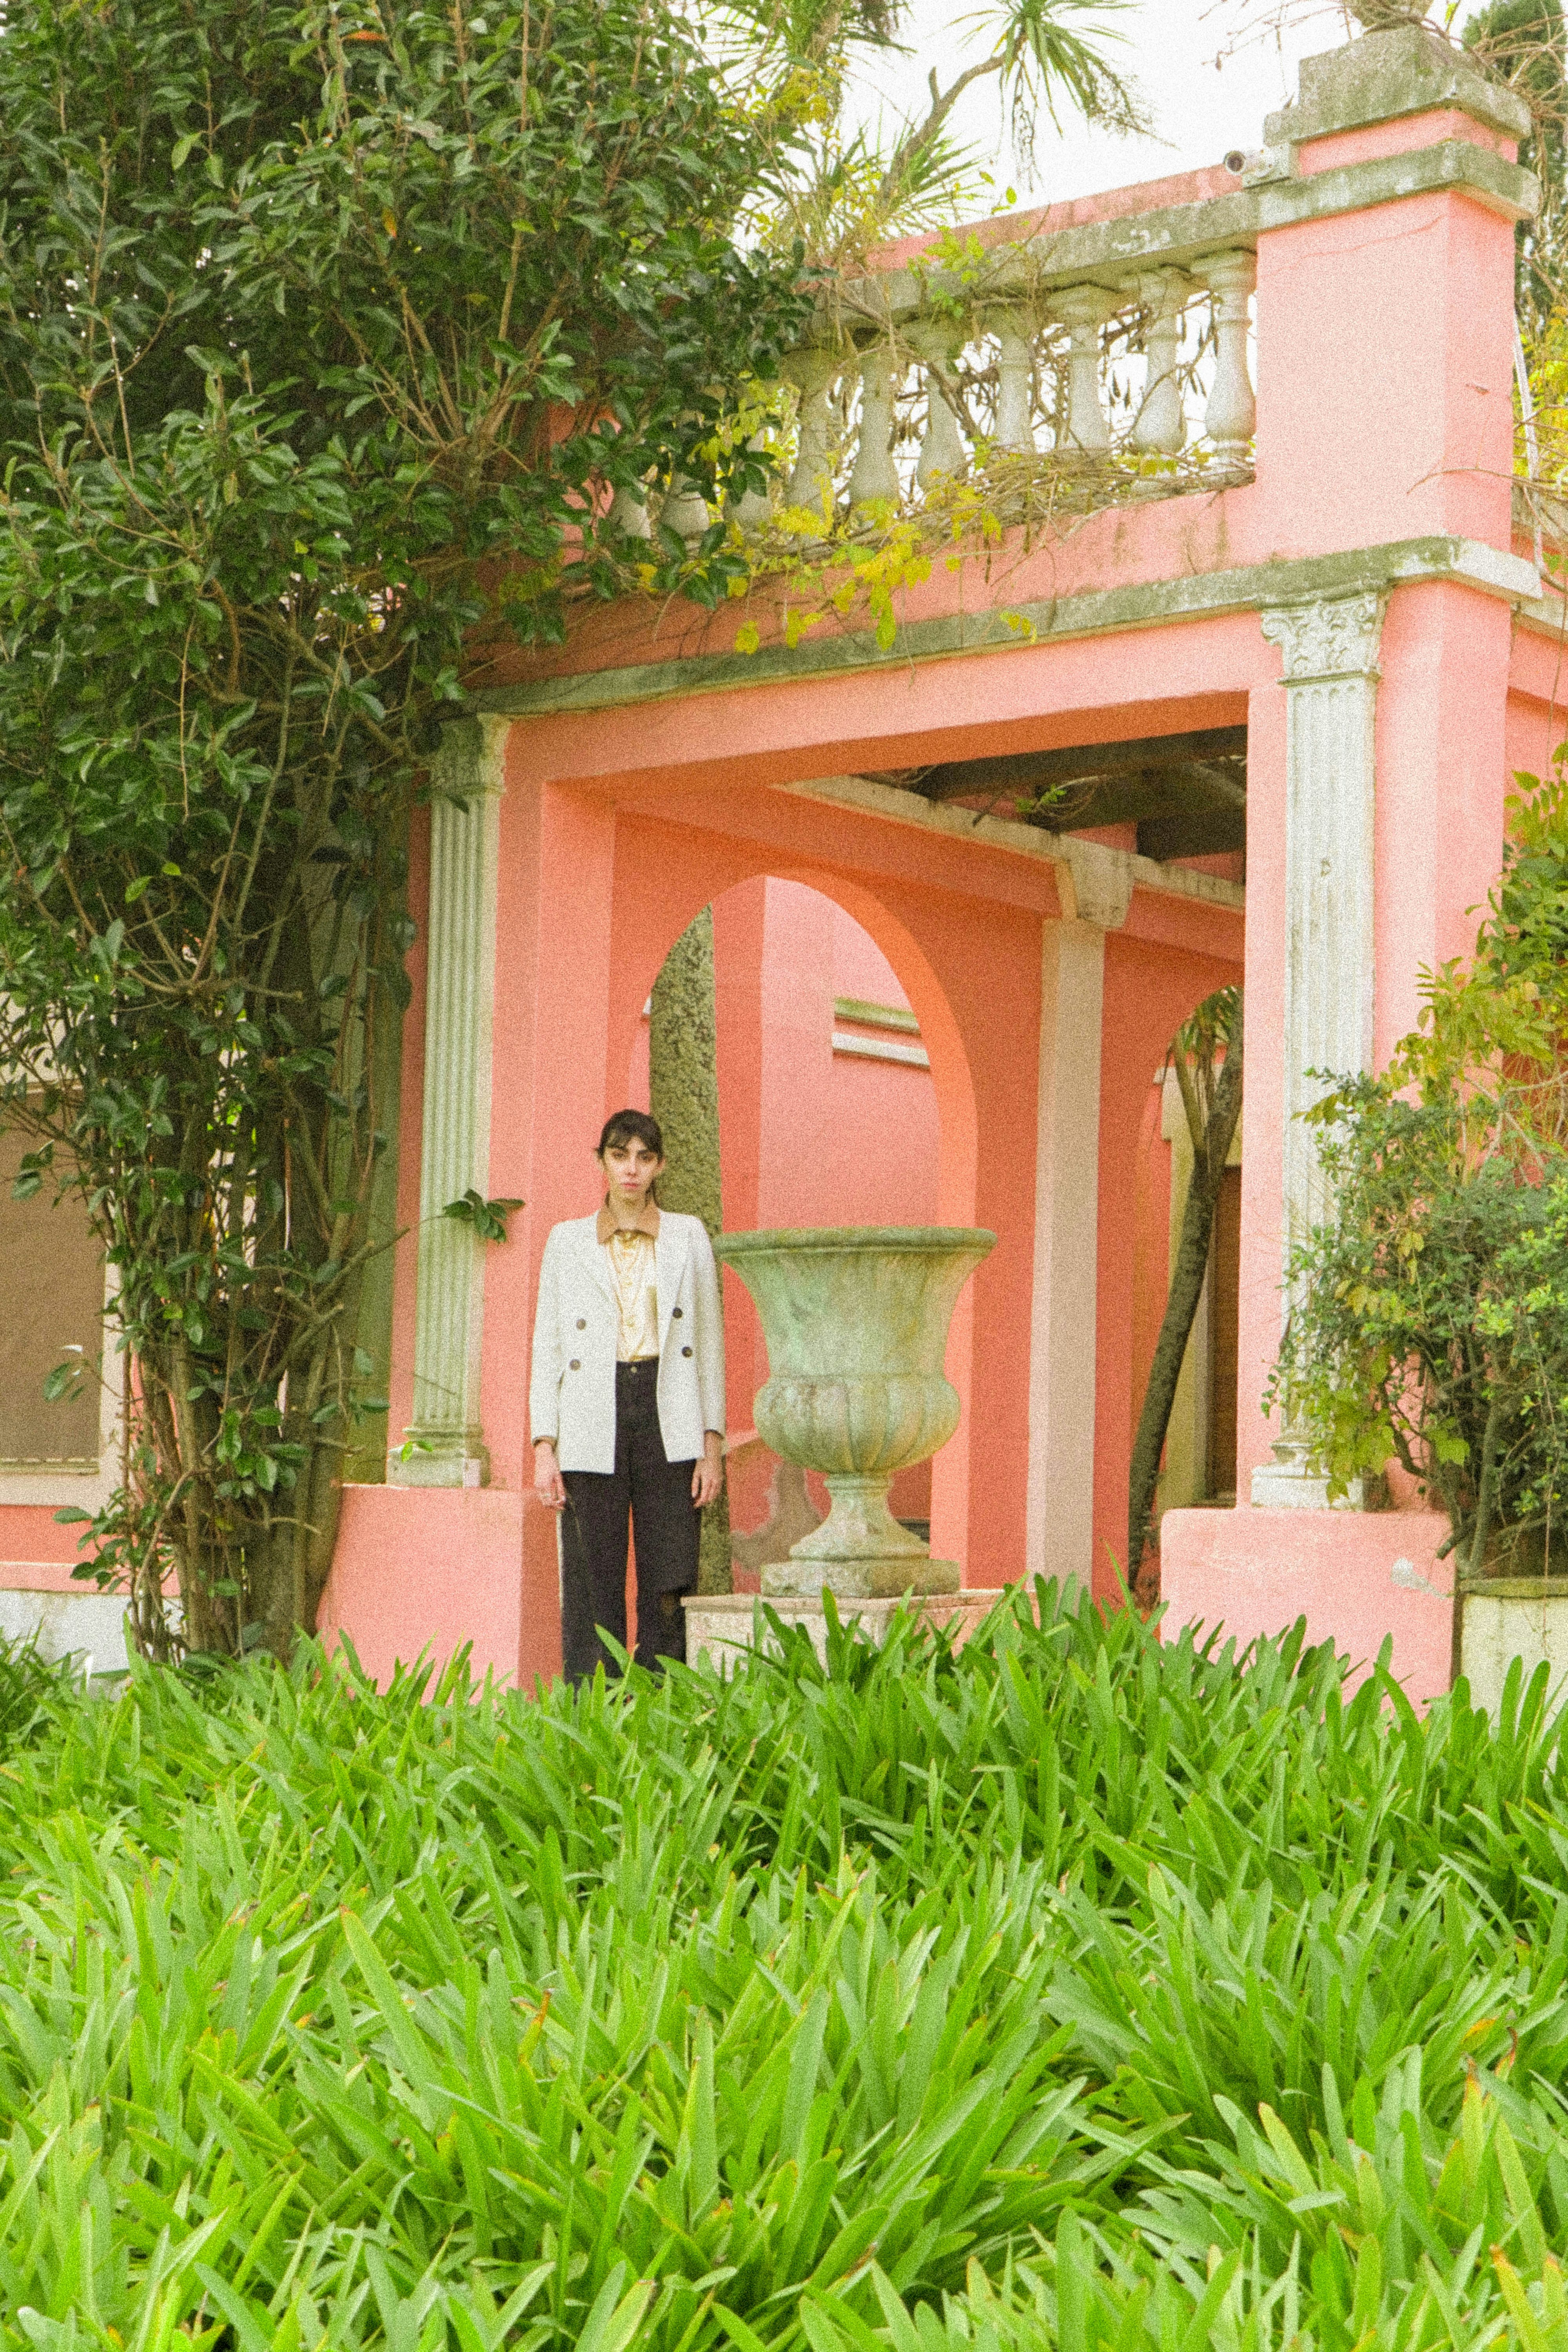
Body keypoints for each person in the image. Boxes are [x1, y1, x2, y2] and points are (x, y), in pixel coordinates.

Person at [529, 1109, 725, 1681]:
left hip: (669, 1407)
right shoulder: (566, 1242)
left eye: (644, 1157)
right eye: (620, 1156)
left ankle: (664, 1698)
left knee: (671, 1567)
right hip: (592, 1407)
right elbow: (547, 1345)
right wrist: (545, 1445)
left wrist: (711, 1447)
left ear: (659, 1164)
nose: (632, 1170)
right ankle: (594, 1709)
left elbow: (708, 1343)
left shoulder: (688, 1236)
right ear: (602, 1162)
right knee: (594, 1574)